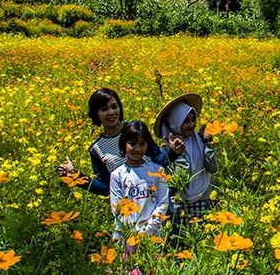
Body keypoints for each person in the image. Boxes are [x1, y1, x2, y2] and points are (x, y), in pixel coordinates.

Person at [57, 88, 175, 196]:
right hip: (130, 208)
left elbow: (159, 160)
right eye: (104, 109)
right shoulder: (97, 148)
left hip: (157, 198)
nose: (111, 112)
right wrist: (75, 175)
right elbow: (105, 187)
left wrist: (174, 151)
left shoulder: (136, 129)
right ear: (96, 113)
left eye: (114, 106)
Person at [154, 93, 217, 226]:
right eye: (185, 121)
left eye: (193, 120)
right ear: (175, 123)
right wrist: (177, 152)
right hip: (179, 205)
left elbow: (212, 168)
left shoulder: (199, 141)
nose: (191, 125)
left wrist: (208, 142)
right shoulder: (165, 151)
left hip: (204, 200)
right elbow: (181, 180)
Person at [109, 120, 169, 240]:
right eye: (132, 144)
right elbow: (117, 208)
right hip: (126, 235)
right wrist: (132, 232)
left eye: (142, 144)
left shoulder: (158, 171)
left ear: (148, 145)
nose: (137, 149)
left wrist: (146, 231)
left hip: (152, 234)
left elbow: (163, 203)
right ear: (124, 144)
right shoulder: (117, 174)